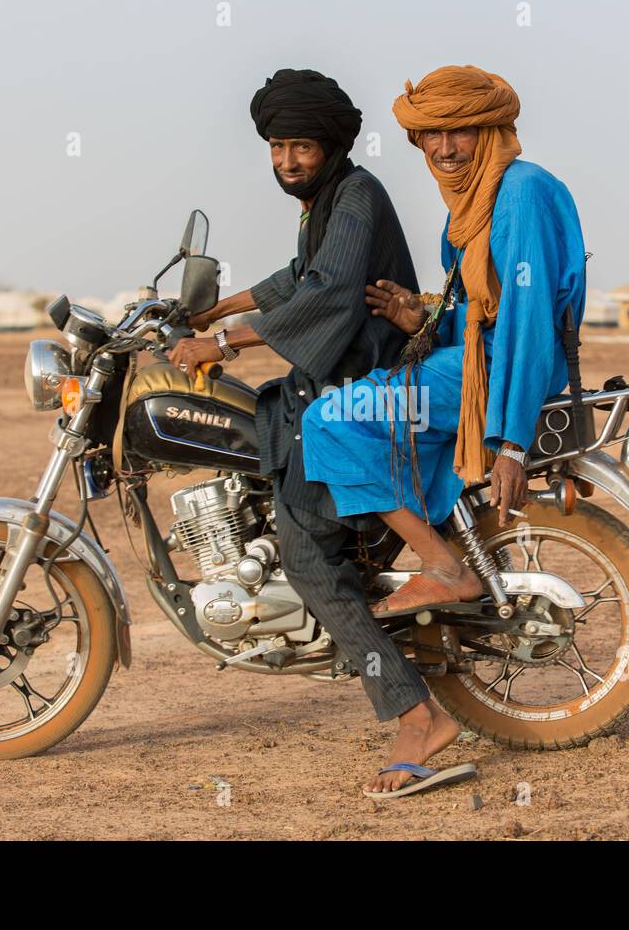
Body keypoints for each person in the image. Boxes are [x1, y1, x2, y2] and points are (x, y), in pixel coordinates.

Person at [166, 69, 462, 796]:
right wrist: (211, 311)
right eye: (277, 146)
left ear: (330, 145)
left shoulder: (356, 195)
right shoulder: (324, 204)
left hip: (365, 386)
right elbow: (299, 274)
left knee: (305, 551)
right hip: (333, 381)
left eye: (300, 145)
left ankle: (418, 714)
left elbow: (326, 294)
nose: (288, 160)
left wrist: (226, 342)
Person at [302, 67, 588, 785]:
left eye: (460, 130)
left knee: (329, 420)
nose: (445, 147)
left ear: (492, 132)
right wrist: (420, 316)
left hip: (492, 377)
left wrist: (511, 438)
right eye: (430, 134)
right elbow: (480, 311)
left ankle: (443, 567)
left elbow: (525, 324)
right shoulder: (471, 208)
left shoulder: (518, 192)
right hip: (472, 362)